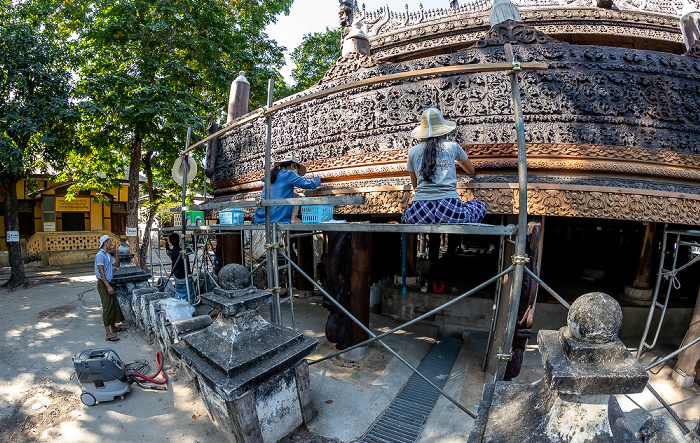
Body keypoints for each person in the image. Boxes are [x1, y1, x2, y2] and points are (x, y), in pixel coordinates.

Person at [401, 108, 487, 224]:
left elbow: (416, 187)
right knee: (480, 206)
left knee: (405, 216)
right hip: (449, 210)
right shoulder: (452, 146)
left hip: (421, 212)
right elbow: (470, 169)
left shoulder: (412, 151)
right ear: (443, 130)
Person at [254, 155, 321, 224]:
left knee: (295, 195)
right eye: (297, 169)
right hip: (274, 217)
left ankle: (293, 218)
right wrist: (317, 179)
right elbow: (310, 184)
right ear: (292, 165)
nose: (296, 172)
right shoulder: (288, 174)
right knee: (296, 196)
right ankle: (294, 218)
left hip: (260, 217)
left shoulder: (272, 175)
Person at [95, 235, 124, 342]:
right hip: (104, 283)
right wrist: (107, 286)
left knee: (113, 304)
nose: (111, 243)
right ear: (105, 243)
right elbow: (101, 271)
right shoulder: (100, 255)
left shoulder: (107, 255)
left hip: (109, 282)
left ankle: (113, 326)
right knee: (107, 307)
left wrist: (116, 253)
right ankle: (108, 332)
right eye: (109, 242)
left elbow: (116, 265)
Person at [166, 233, 192, 300]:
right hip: (186, 276)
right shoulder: (184, 251)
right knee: (188, 293)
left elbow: (167, 251)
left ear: (171, 242)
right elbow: (194, 250)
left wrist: (166, 243)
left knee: (178, 293)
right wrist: (194, 238)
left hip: (176, 276)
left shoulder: (171, 252)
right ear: (179, 240)